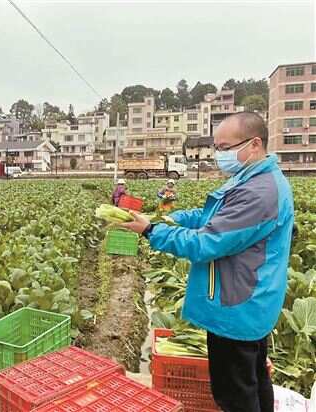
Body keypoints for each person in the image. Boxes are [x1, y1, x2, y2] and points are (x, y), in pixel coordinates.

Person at [122, 112, 294, 412]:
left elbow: (206, 243)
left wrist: (151, 231)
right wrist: (169, 219)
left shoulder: (259, 192)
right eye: (217, 147)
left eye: (225, 147)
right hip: (248, 299)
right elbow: (210, 217)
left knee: (234, 395)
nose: (218, 154)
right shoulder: (251, 178)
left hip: (237, 304)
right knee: (253, 380)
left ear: (254, 144)